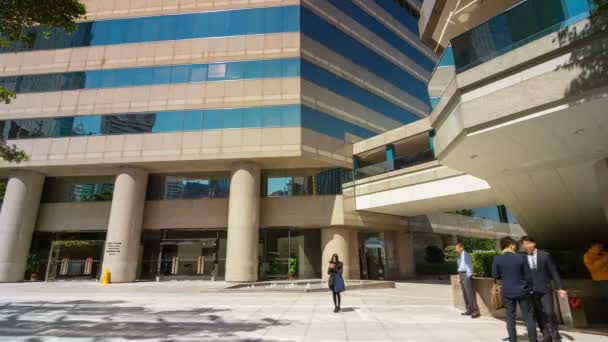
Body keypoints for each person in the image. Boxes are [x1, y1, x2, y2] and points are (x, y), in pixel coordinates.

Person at [521, 236, 566, 342]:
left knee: (550, 312)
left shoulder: (545, 255)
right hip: (531, 291)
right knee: (538, 314)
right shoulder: (522, 257)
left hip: (545, 289)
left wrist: (560, 287)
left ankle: (556, 335)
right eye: (524, 244)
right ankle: (546, 334)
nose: (526, 246)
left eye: (528, 243)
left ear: (534, 243)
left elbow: (554, 272)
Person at [493, 237, 538, 342]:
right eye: (514, 245)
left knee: (510, 318)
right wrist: (531, 288)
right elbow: (528, 276)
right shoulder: (521, 257)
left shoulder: (497, 259)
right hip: (523, 291)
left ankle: (513, 340)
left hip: (508, 292)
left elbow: (495, 275)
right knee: (528, 317)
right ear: (511, 245)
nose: (516, 247)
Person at [455, 242, 480, 318]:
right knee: (465, 293)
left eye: (457, 248)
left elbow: (469, 265)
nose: (456, 250)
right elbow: (460, 266)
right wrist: (460, 277)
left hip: (466, 274)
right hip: (461, 274)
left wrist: (468, 276)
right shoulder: (459, 256)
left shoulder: (466, 254)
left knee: (469, 293)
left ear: (461, 247)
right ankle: (469, 310)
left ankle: (475, 311)